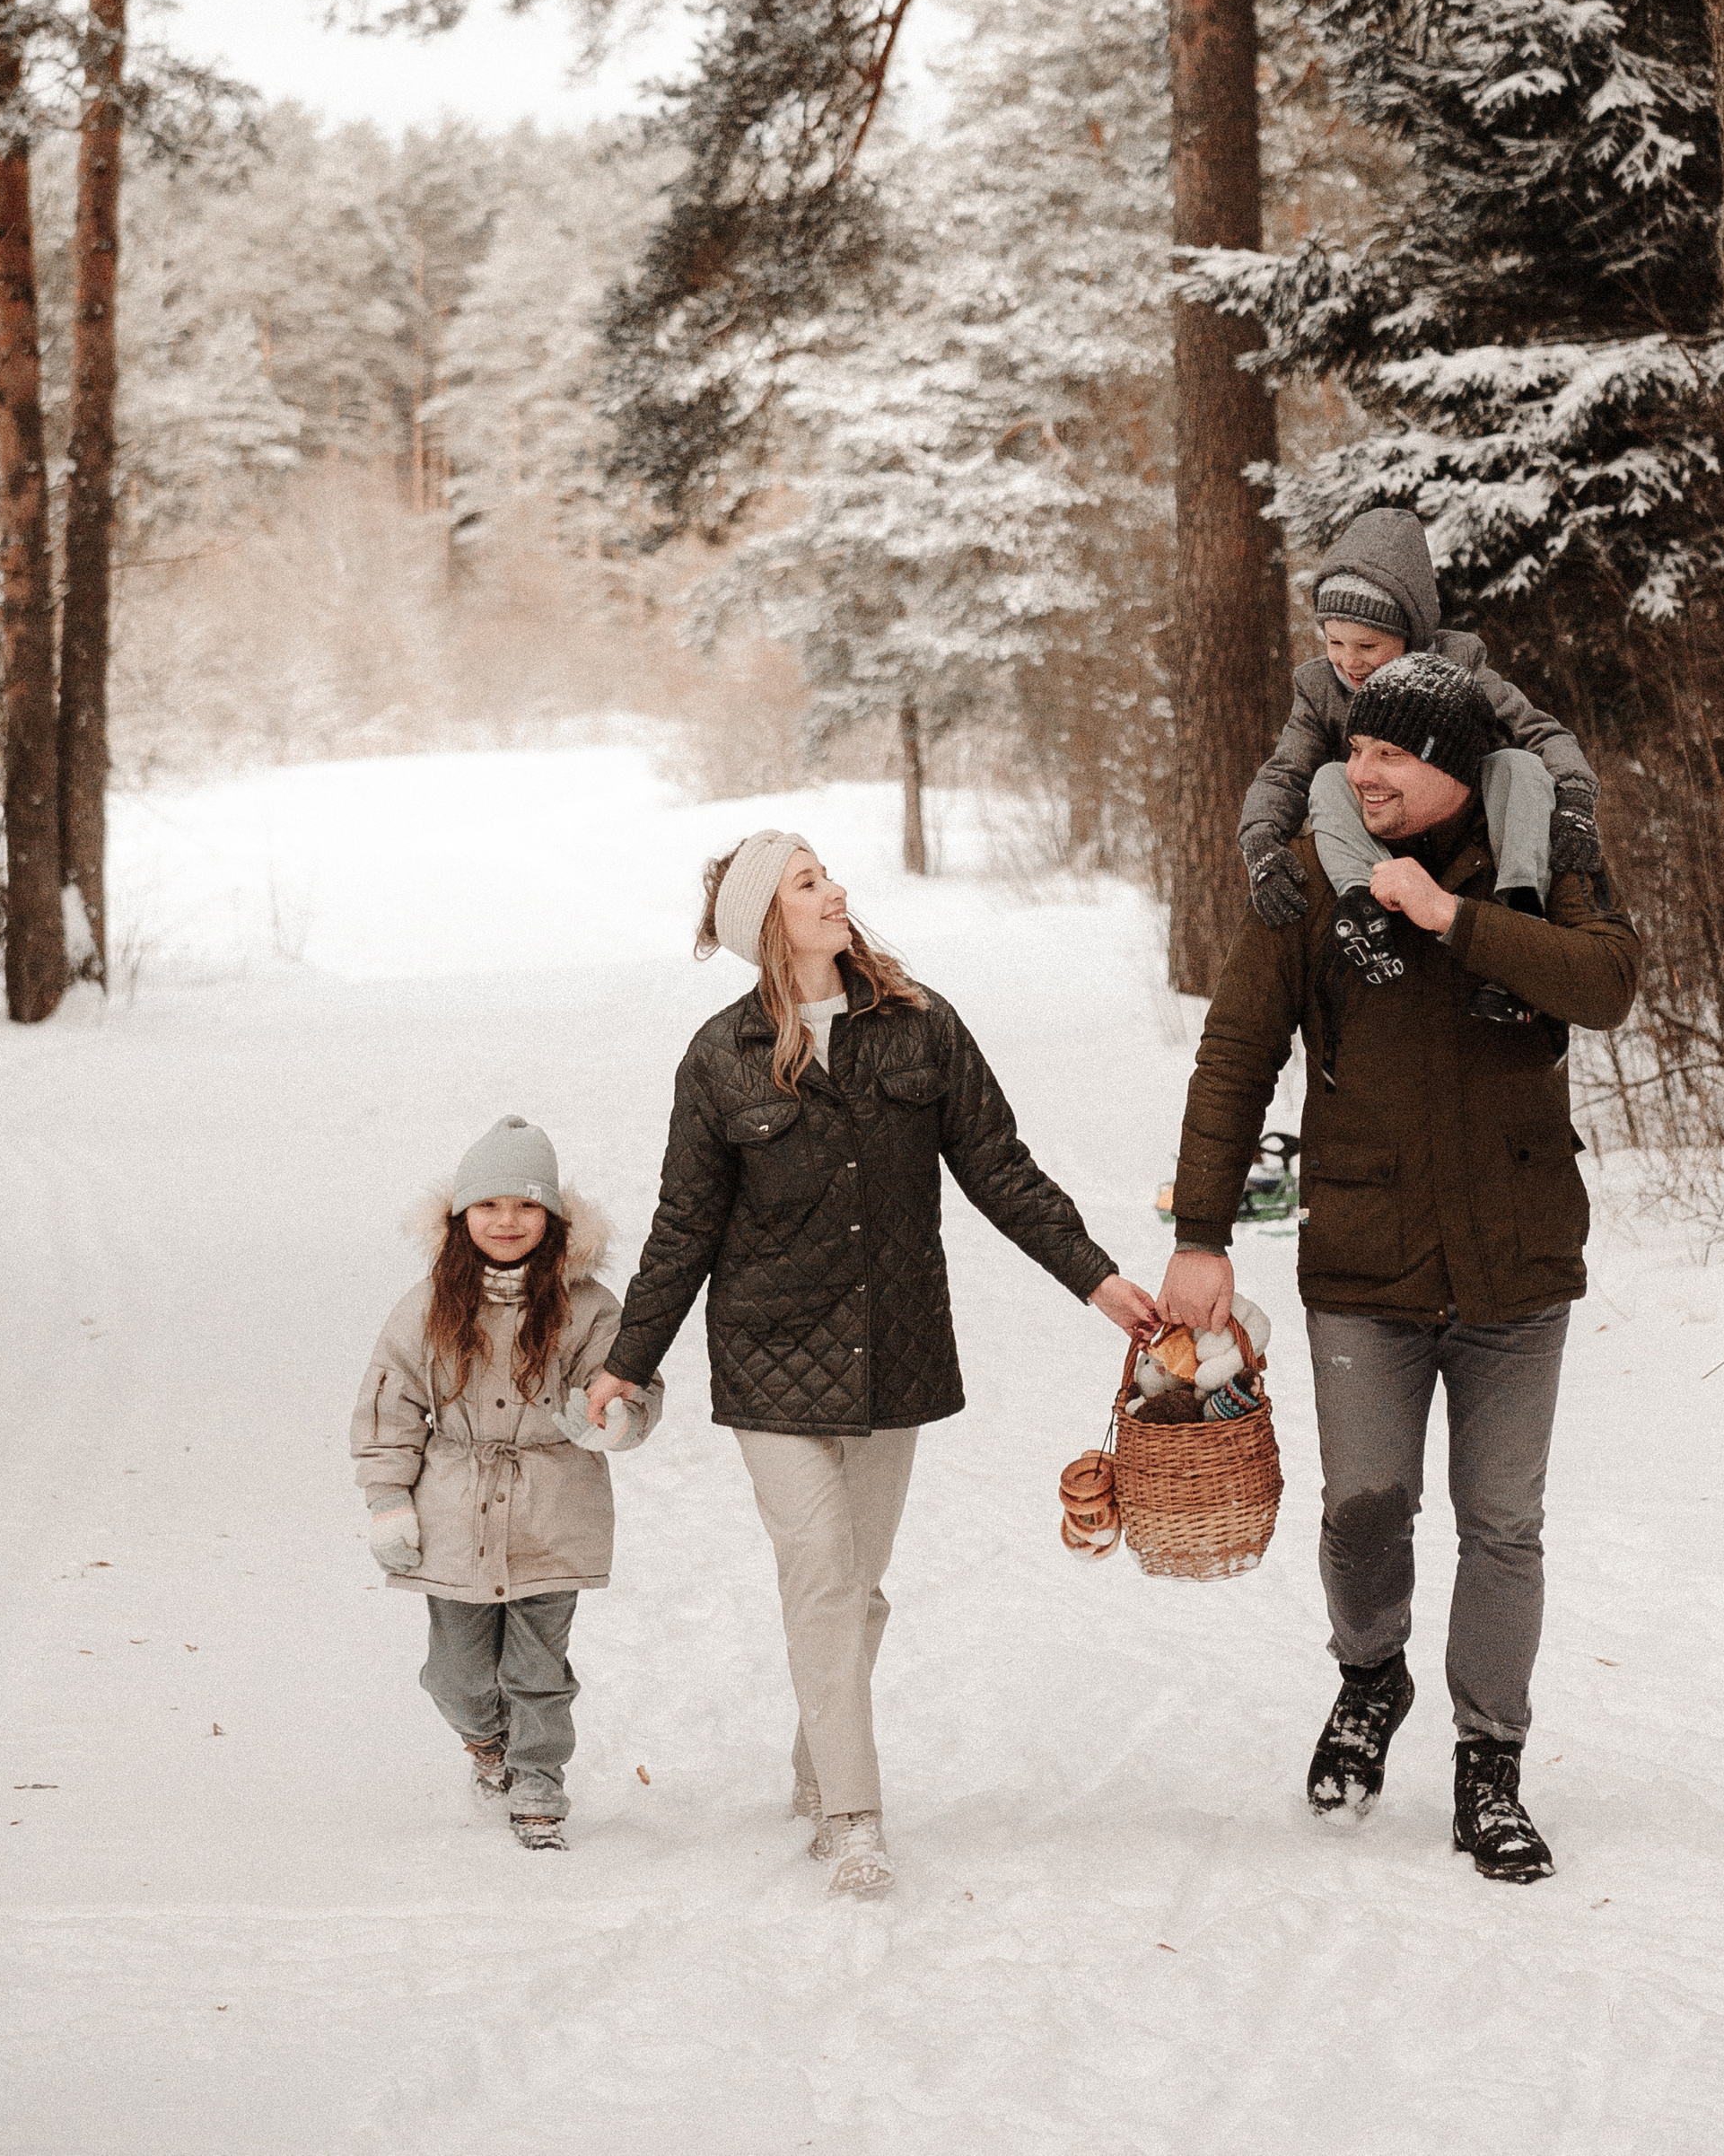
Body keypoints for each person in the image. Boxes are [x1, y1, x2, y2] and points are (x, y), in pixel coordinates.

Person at [581, 830, 1159, 1902]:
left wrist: (1097, 1280)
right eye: (808, 883)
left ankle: (817, 1757)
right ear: (770, 919)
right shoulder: (720, 1057)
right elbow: (684, 1224)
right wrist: (628, 1360)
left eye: (828, 873)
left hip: (891, 1350)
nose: (836, 890)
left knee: (858, 1589)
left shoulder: (920, 1026)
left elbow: (999, 1166)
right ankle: (853, 1818)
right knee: (822, 1577)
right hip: (769, 1357)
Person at [1164, 656, 1638, 1884]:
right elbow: (1233, 1058)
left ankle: (1493, 1762)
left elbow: (1608, 980)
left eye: (1389, 754)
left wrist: (1452, 917)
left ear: (1457, 772)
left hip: (1517, 1257)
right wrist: (1201, 1235)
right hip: (1366, 1259)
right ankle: (1371, 1672)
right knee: (1365, 1497)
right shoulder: (1313, 878)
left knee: (1503, 1522)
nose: (1360, 770)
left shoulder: (1541, 857)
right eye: (1354, 749)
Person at [350, 1114, 660, 1852]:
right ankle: (488, 1741)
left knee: (536, 1666)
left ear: (553, 1215)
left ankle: (537, 1776)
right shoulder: (426, 1305)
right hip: (454, 1509)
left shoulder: (588, 1304)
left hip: (552, 1509)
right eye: (489, 1205)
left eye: (526, 1205)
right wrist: (389, 1499)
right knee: (454, 1673)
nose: (508, 1220)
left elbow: (626, 1381)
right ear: (460, 1216)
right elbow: (390, 1406)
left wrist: (612, 1417)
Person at [1239, 510, 1604, 1021]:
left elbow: (1541, 733)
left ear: (1410, 634)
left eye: (1368, 646)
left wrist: (1576, 798)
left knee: (1517, 765)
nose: (1349, 661)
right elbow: (1286, 772)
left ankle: (1520, 901)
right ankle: (1361, 907)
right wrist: (1260, 836)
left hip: (1466, 809)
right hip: (1377, 823)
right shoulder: (1321, 688)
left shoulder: (1459, 666)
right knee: (1327, 777)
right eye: (1334, 642)